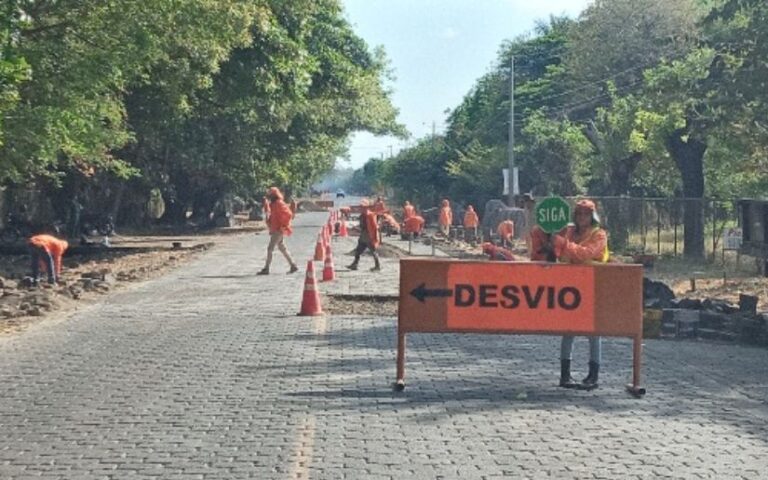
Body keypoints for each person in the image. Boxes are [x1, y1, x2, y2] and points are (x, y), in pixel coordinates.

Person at [549, 199, 609, 390]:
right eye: (579, 213)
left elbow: (587, 254)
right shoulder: (569, 232)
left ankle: (593, 375)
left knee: (594, 332)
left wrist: (565, 245)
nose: (582, 217)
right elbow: (561, 255)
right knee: (568, 330)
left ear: (592, 216)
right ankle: (565, 374)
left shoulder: (599, 234)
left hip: (593, 286)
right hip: (571, 287)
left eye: (586, 214)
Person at [257, 187, 298, 275]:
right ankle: (293, 265)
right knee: (282, 248)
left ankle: (266, 268)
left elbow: (288, 214)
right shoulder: (274, 204)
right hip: (276, 229)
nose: (269, 196)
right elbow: (270, 214)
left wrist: (283, 225)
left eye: (270, 194)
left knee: (270, 248)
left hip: (278, 230)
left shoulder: (279, 203)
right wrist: (266, 204)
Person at [347, 200, 381, 272]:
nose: (361, 208)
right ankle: (355, 264)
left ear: (366, 207)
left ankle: (377, 266)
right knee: (358, 251)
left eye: (362, 207)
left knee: (373, 251)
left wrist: (375, 237)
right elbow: (362, 226)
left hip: (369, 236)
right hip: (363, 236)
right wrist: (356, 228)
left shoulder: (370, 215)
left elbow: (374, 227)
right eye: (361, 207)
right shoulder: (362, 215)